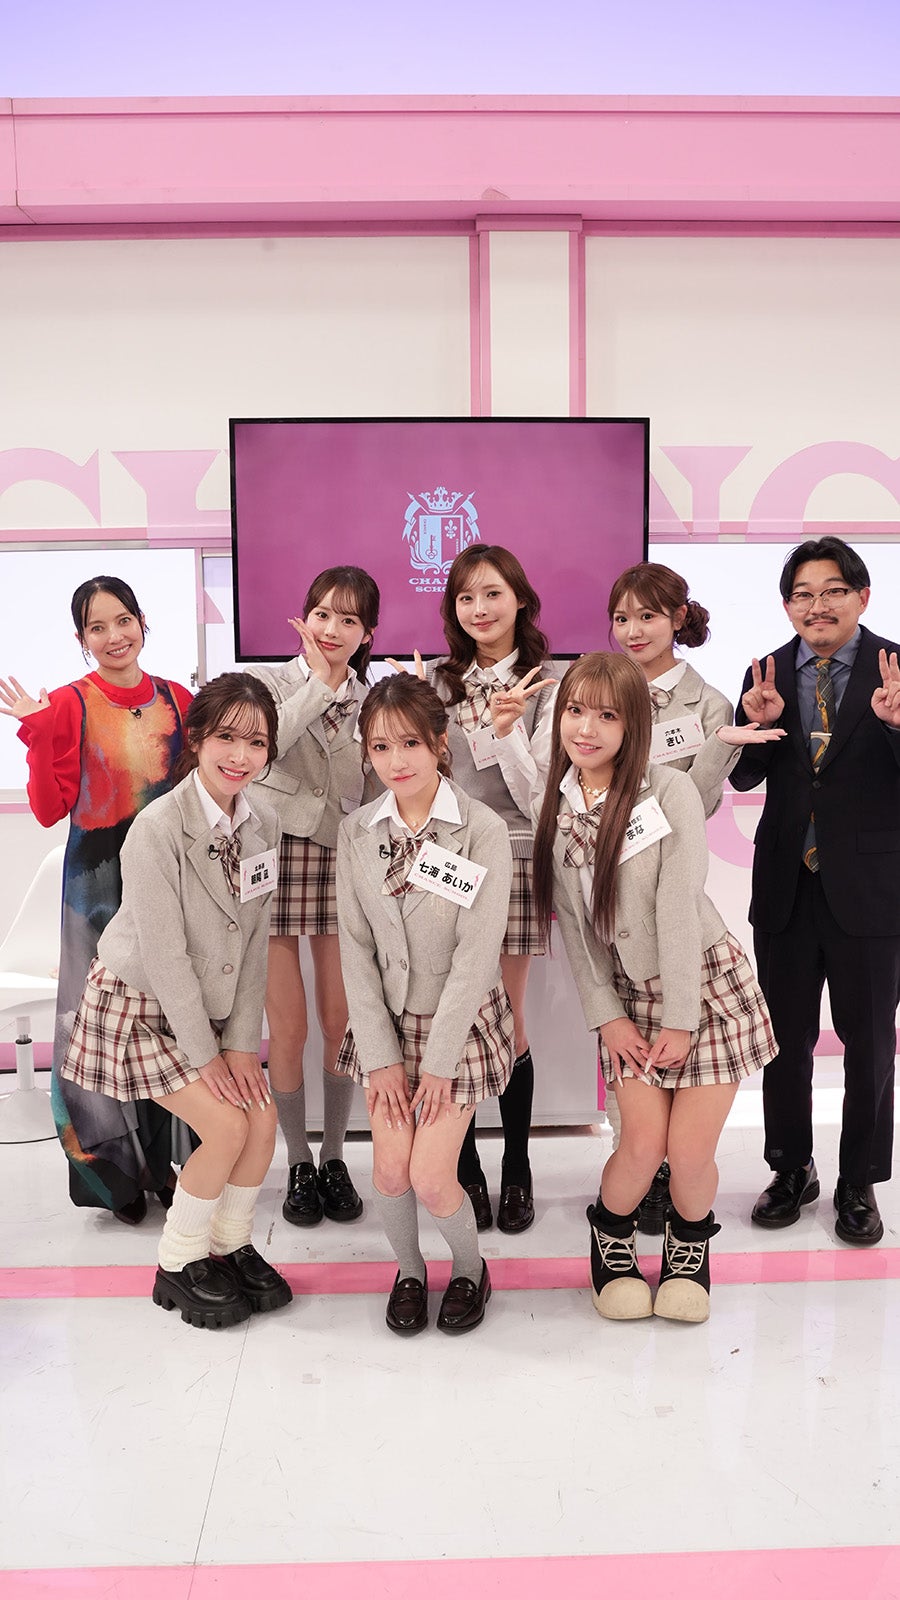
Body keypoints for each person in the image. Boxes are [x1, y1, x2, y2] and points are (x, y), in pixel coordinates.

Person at [532, 653, 775, 1322]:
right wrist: (607, 1016)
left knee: (689, 1154)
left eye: (606, 715)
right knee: (641, 1146)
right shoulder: (556, 809)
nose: (586, 729)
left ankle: (687, 1252)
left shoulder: (667, 791)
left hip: (706, 989)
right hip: (629, 1000)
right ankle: (610, 1240)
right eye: (575, 711)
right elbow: (578, 931)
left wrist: (680, 1018)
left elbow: (678, 904)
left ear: (632, 723)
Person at [60, 673, 290, 1329]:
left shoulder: (264, 824)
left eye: (256, 743)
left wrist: (241, 1046)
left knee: (261, 1118)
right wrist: (208, 1058)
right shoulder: (157, 827)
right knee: (225, 1125)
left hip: (202, 1009)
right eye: (226, 737)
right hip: (136, 1005)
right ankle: (178, 1262)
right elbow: (164, 955)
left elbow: (254, 943)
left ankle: (229, 1245)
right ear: (196, 738)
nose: (240, 756)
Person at [0, 576, 193, 1222]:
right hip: (94, 892)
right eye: (97, 627)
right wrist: (38, 734)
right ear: (82, 639)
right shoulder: (68, 704)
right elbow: (50, 809)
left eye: (122, 620)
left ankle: (171, 1168)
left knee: (169, 1023)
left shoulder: (180, 699)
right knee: (91, 1031)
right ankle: (116, 1179)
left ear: (142, 621)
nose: (114, 636)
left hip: (166, 885)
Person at [605, 561, 784, 1232]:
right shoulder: (603, 686)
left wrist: (718, 747)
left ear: (678, 618)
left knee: (675, 1044)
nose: (633, 630)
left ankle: (671, 1184)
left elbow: (700, 805)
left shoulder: (706, 702)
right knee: (629, 1051)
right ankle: (642, 1167)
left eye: (647, 616)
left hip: (669, 884)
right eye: (621, 618)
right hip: (605, 888)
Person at [731, 536, 900, 1246]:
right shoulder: (764, 671)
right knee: (783, 1040)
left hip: (872, 891)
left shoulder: (897, 668)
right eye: (802, 594)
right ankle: (790, 1168)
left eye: (833, 591)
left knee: (870, 1043)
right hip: (786, 887)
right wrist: (759, 726)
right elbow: (742, 777)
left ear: (862, 597)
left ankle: (859, 1179)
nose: (817, 605)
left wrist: (896, 725)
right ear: (786, 605)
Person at [334, 674, 514, 1335]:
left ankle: (470, 1268)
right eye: (380, 747)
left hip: (457, 1027)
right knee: (389, 1170)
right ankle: (409, 1271)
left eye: (410, 743)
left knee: (433, 1177)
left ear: (441, 742)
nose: (397, 761)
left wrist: (437, 1066)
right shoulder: (356, 832)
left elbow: (477, 956)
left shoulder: (482, 829)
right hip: (385, 1024)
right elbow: (355, 949)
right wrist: (380, 1057)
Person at [411, 544, 557, 1235]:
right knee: (453, 1015)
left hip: (516, 853)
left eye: (493, 593)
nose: (480, 609)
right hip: (444, 859)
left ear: (519, 599)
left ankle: (517, 1167)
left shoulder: (550, 683)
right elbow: (417, 781)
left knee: (510, 1019)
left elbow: (541, 796)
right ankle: (464, 1165)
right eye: (466, 597)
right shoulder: (437, 683)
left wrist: (505, 734)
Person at [247, 566, 380, 1230]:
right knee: (288, 1026)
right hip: (269, 858)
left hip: (341, 860)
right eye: (323, 614)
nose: (333, 629)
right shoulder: (267, 686)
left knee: (339, 1019)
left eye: (349, 620)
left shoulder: (373, 700)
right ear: (304, 617)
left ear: (367, 634)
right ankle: (296, 1158)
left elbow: (381, 785)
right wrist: (319, 685)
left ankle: (334, 1156)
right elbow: (263, 751)